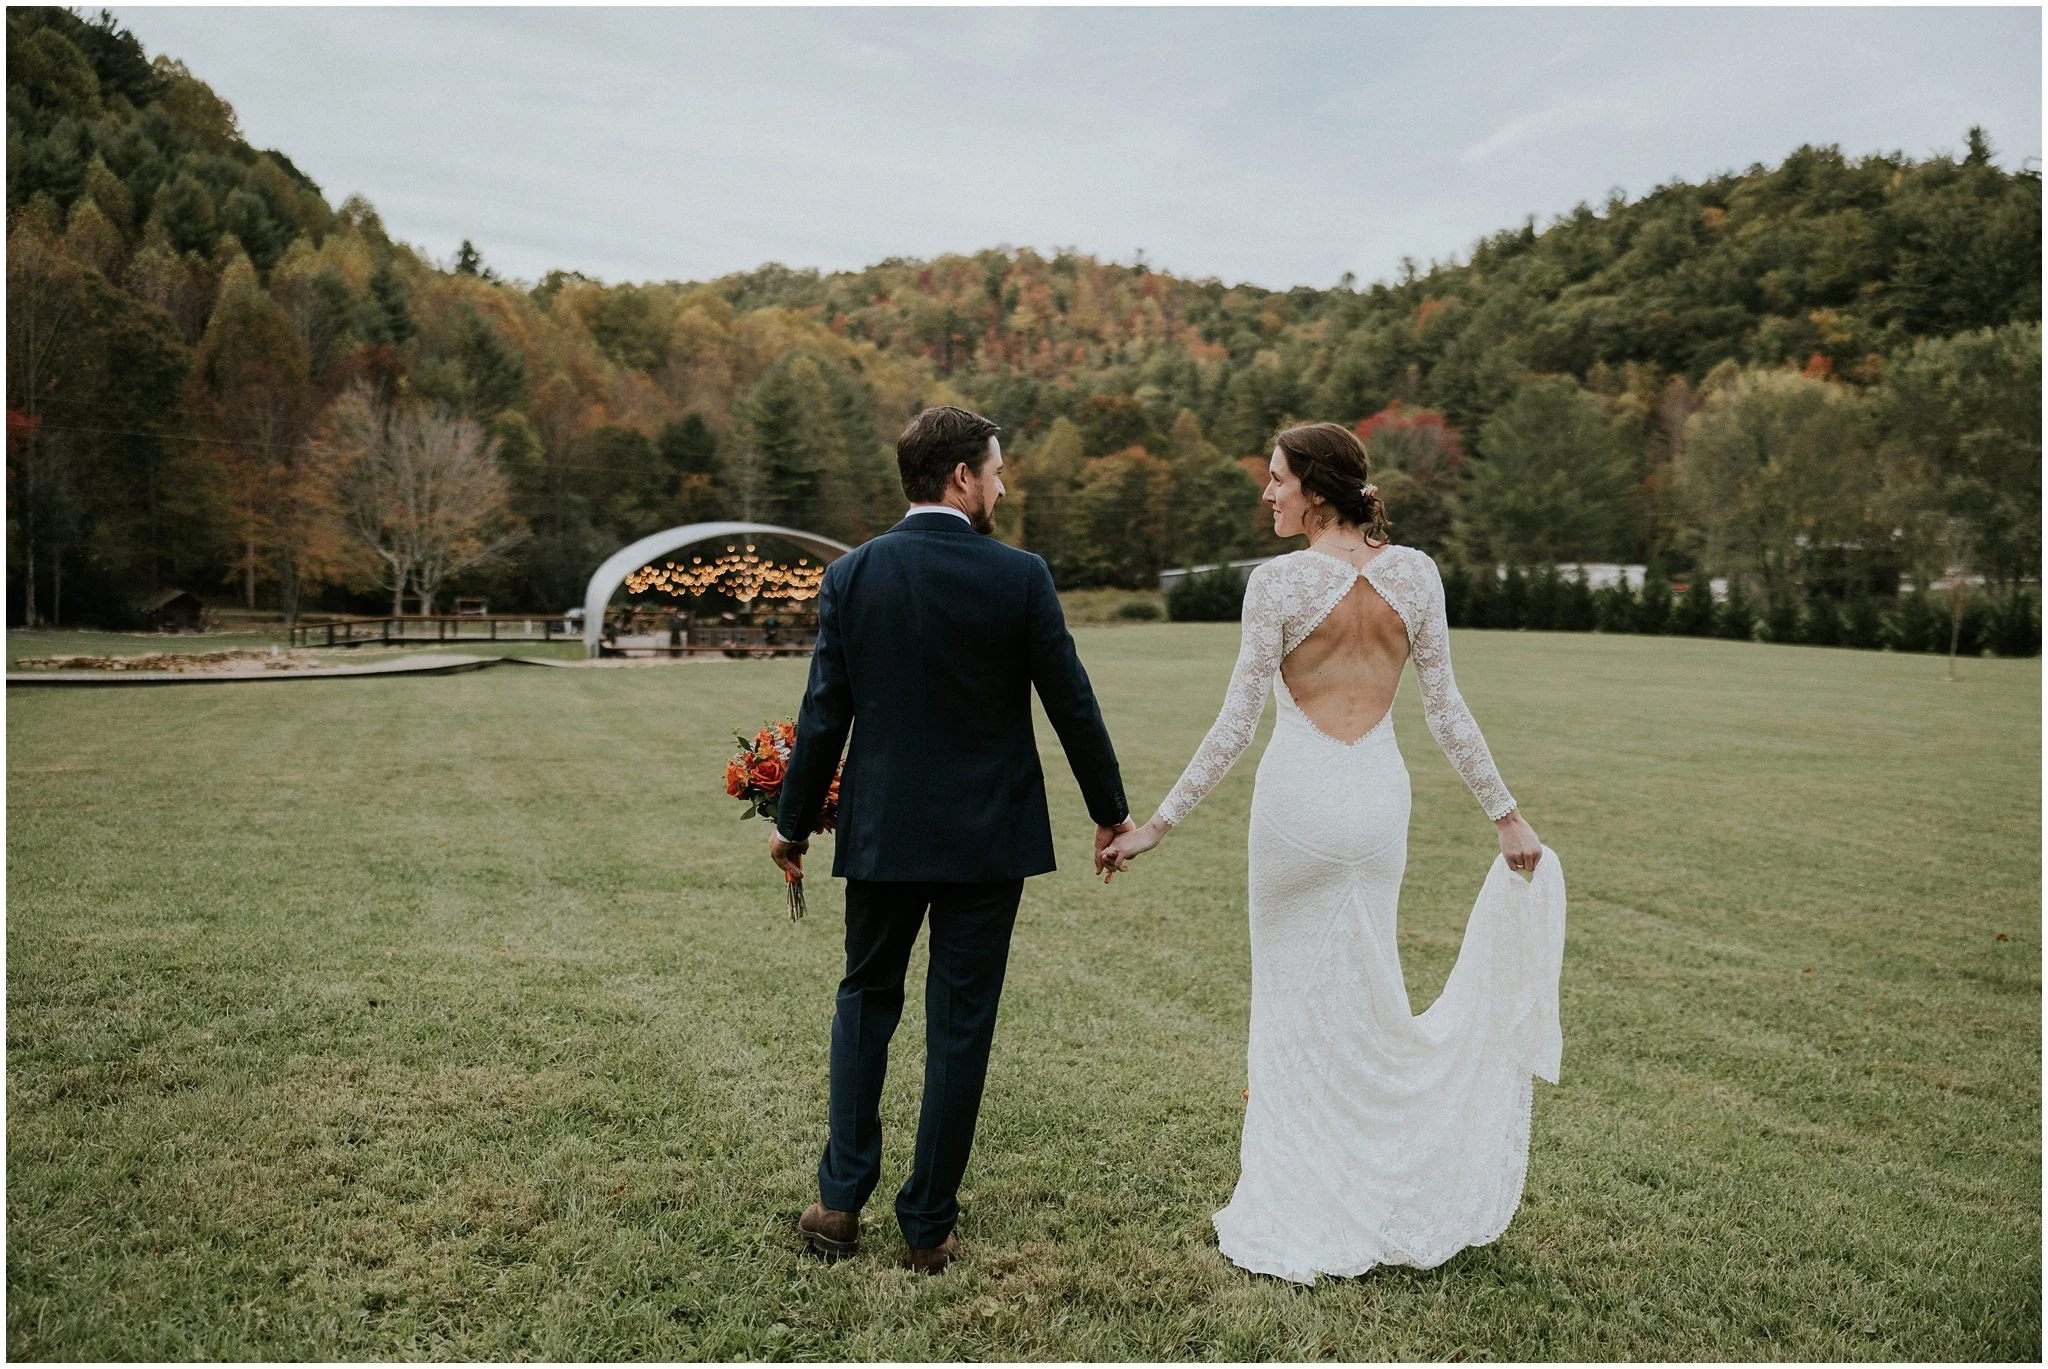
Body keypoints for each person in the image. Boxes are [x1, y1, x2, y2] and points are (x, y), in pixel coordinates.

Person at [1105, 421, 1567, 1285]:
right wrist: (1507, 817)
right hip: (1379, 805)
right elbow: (1447, 711)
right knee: (1369, 991)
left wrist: (1157, 825)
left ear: (1315, 491)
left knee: (1290, 1001)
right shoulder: (1415, 574)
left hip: (1297, 805)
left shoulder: (1277, 583)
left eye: (1277, 479)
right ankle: (1376, 1183)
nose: (1268, 493)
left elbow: (1237, 723)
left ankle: (1300, 1198)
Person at [771, 405, 1131, 1274]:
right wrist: (1110, 810)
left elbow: (824, 714)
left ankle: (838, 1201)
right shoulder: (1020, 576)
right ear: (962, 476)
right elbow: (1071, 701)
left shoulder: (851, 575)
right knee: (960, 1024)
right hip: (986, 836)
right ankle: (928, 1224)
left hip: (883, 832)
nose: (1002, 487)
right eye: (997, 472)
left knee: (866, 1000)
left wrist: (791, 824)